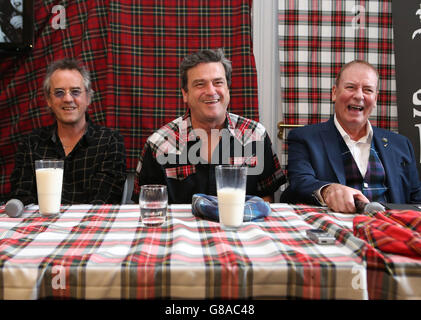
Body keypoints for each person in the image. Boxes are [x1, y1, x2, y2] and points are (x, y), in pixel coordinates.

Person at [132, 48, 285, 204]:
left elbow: (267, 197)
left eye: (218, 82)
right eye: (200, 84)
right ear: (185, 94)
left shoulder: (255, 135)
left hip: (239, 227)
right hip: (179, 228)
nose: (211, 91)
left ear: (228, 88)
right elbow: (147, 205)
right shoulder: (159, 144)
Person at [280, 60, 421, 213]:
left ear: (375, 99)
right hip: (335, 231)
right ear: (334, 93)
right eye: (350, 87)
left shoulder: (401, 144)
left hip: (391, 230)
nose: (359, 96)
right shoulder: (304, 138)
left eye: (367, 90)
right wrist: (328, 190)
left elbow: (416, 200)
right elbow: (300, 183)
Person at [10, 58, 127, 205]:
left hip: (90, 226)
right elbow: (22, 199)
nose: (67, 99)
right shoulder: (31, 144)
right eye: (59, 93)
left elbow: (103, 202)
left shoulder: (110, 141)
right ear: (48, 100)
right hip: (41, 226)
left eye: (75, 91)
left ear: (88, 97)